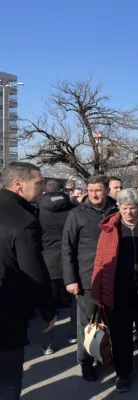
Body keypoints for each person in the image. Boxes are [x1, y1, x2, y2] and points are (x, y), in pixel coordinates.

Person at [91, 189, 138, 393]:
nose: (129, 212)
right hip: (118, 290)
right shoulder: (110, 228)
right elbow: (100, 261)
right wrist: (97, 292)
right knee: (120, 335)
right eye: (125, 208)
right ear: (119, 208)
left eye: (133, 207)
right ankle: (123, 373)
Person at [0, 162, 56, 400]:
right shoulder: (23, 220)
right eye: (38, 182)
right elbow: (34, 271)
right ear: (19, 184)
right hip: (7, 311)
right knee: (9, 378)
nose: (43, 188)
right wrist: (47, 311)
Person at [62, 175, 118, 381]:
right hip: (87, 279)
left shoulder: (116, 211)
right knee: (86, 324)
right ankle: (85, 362)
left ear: (106, 190)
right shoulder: (77, 214)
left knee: (113, 321)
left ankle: (107, 355)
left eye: (98, 190)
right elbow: (67, 247)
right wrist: (70, 279)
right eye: (91, 190)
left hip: (113, 277)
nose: (94, 194)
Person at [39, 179, 77, 354]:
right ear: (63, 191)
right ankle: (74, 333)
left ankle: (47, 342)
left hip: (49, 261)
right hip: (72, 259)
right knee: (77, 300)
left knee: (49, 303)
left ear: (45, 192)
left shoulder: (38, 211)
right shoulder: (74, 210)